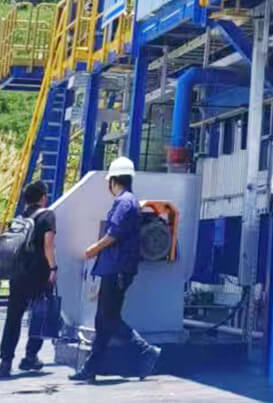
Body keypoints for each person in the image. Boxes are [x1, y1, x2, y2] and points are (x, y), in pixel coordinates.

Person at [70, 157, 160, 382]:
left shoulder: (124, 203)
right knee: (103, 320)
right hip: (117, 268)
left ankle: (146, 350)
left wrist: (93, 249)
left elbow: (114, 233)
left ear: (113, 181)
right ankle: (91, 368)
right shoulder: (129, 201)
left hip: (117, 269)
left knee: (108, 318)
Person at [0, 180, 57, 379]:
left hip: (17, 274)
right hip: (38, 273)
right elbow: (48, 245)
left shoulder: (20, 218)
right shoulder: (47, 215)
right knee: (39, 314)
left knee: (13, 317)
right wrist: (53, 268)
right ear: (43, 197)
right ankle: (31, 356)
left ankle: (5, 361)